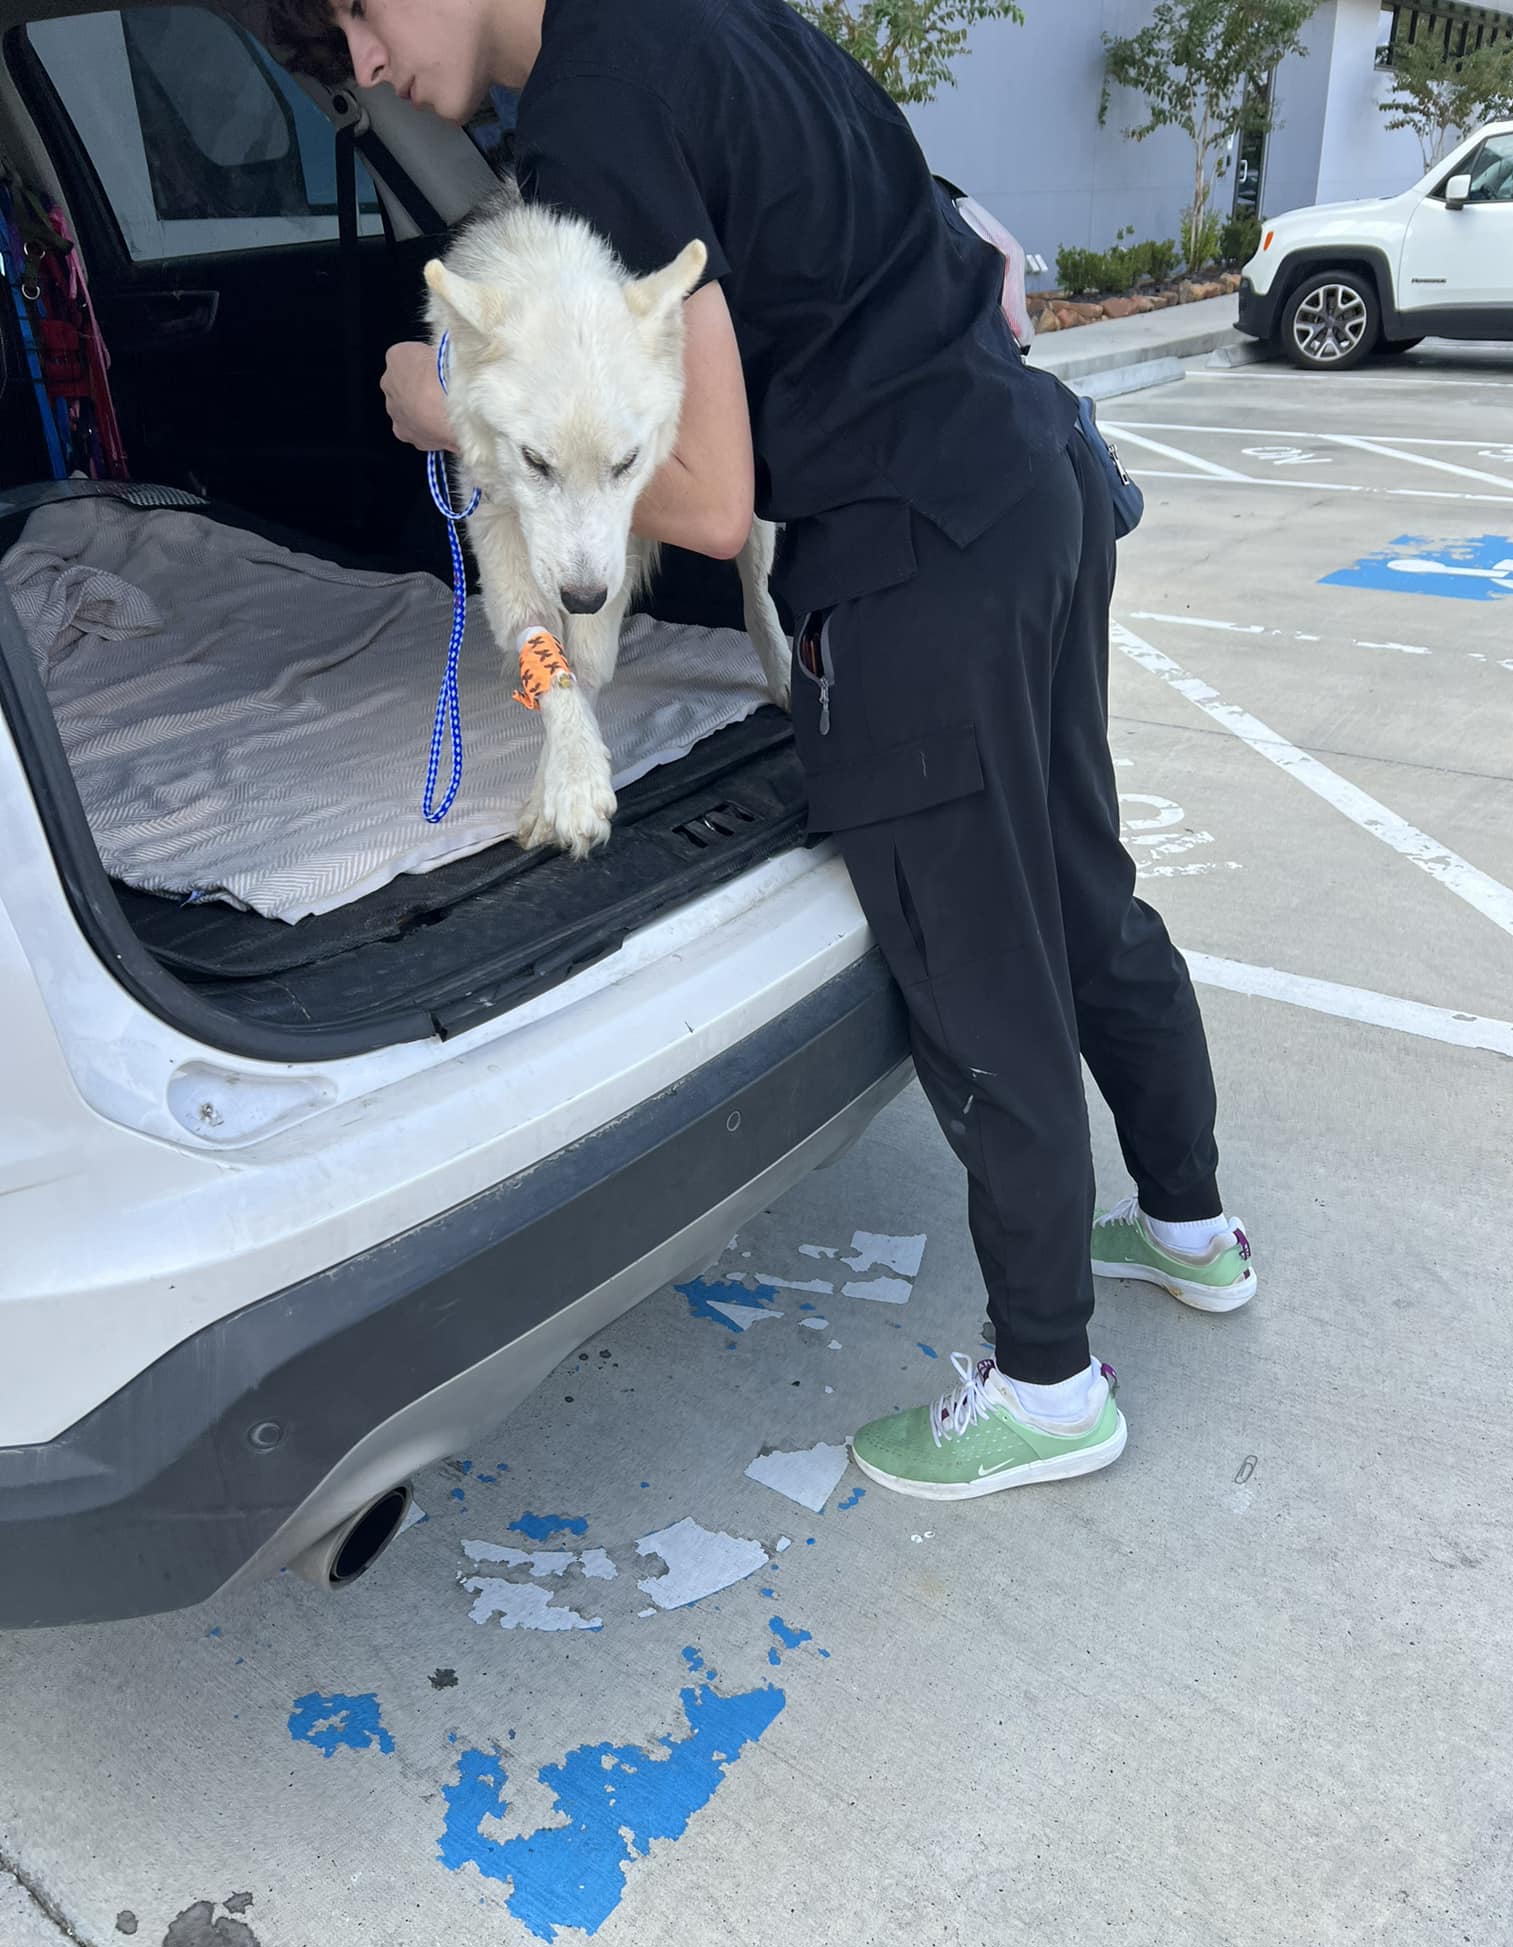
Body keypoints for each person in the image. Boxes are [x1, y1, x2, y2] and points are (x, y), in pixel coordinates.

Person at [294, 0, 1256, 1501]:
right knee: (1077, 879)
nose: (361, 65)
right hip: (1030, 478)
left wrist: (448, 413)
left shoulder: (590, 126)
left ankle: (1050, 1382)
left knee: (971, 958)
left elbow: (707, 500)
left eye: (356, 10)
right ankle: (1190, 1226)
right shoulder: (697, 22)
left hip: (912, 560)